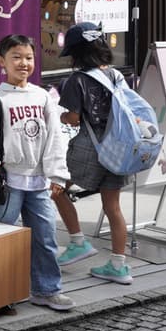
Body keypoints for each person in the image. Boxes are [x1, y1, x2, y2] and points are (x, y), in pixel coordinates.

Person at [0, 35, 74, 310]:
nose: (23, 63)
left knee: (45, 236)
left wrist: (57, 175)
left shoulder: (42, 96)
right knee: (0, 237)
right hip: (8, 183)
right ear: (1, 62)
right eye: (16, 57)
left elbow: (55, 138)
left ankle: (46, 290)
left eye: (29, 57)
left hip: (38, 182)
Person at [50, 22, 135, 286]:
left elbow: (74, 119)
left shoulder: (77, 81)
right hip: (118, 148)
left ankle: (78, 241)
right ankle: (119, 266)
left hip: (90, 148)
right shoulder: (116, 76)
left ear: (78, 54)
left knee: (57, 188)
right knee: (113, 207)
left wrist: (61, 114)